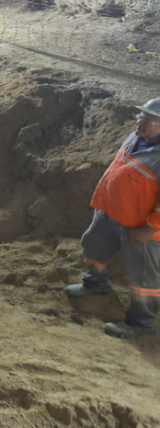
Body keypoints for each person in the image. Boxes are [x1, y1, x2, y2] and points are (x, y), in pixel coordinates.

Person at [66, 98, 160, 339]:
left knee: (141, 278)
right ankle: (96, 285)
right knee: (92, 245)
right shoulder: (137, 137)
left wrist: (150, 228)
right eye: (141, 116)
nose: (141, 122)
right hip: (109, 212)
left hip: (139, 226)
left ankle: (142, 323)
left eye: (150, 120)